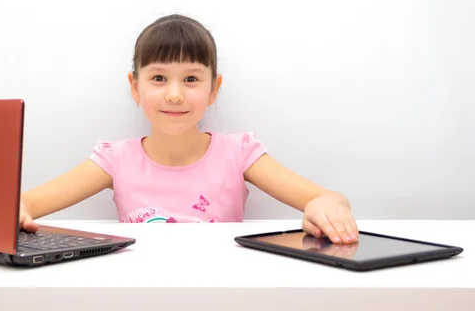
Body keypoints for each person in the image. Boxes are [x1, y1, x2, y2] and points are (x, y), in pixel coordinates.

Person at [20, 14, 359, 244]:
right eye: (158, 78)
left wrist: (326, 207)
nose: (175, 94)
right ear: (135, 87)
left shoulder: (239, 153)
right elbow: (25, 204)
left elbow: (327, 198)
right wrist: (17, 211)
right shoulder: (114, 159)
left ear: (214, 88)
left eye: (192, 79)